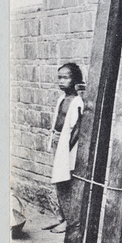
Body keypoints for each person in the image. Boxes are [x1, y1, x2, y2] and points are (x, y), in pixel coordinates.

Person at [43, 63, 84, 233]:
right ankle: (62, 218)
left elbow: (78, 128)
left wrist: (66, 149)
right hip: (58, 141)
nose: (61, 81)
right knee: (58, 182)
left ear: (75, 79)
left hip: (67, 146)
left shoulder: (77, 101)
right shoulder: (62, 99)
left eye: (66, 77)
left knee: (65, 182)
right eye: (59, 77)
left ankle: (70, 221)